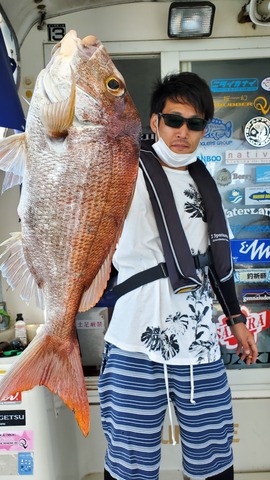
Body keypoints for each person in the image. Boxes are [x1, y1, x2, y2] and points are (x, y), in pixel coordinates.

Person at [98, 72, 258, 480]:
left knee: (214, 457)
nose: (182, 131)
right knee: (130, 462)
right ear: (154, 122)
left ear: (204, 128)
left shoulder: (205, 182)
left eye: (195, 123)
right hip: (134, 340)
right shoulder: (122, 171)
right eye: (173, 120)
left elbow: (217, 264)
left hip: (199, 343)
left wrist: (237, 322)